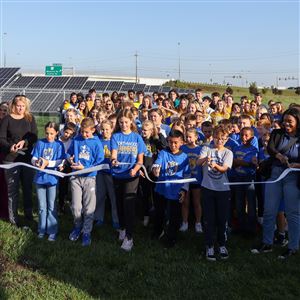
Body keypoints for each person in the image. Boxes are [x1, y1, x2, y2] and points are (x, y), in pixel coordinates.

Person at [251, 108, 300, 259]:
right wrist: (279, 155)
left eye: (290, 121)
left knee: (292, 213)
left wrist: (297, 165)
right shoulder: (277, 133)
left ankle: (293, 246)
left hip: (293, 176)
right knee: (269, 210)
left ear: (298, 122)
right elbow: (271, 148)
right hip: (275, 174)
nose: (286, 124)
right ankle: (267, 243)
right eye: (284, 120)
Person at [110, 109, 146, 251]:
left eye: (126, 122)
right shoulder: (115, 137)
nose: (124, 124)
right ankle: (123, 228)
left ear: (131, 122)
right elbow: (113, 155)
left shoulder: (137, 138)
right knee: (119, 204)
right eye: (121, 122)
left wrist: (135, 170)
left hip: (132, 176)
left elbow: (140, 160)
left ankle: (129, 238)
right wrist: (113, 160)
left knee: (129, 204)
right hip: (118, 174)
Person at [0, 95, 37, 226]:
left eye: (23, 106)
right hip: (10, 160)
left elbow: (34, 136)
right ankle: (13, 219)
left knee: (27, 187)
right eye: (18, 106)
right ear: (13, 106)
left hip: (26, 159)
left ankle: (28, 215)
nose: (20, 108)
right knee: (13, 190)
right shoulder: (7, 119)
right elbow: (1, 138)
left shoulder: (30, 118)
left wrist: (25, 141)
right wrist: (10, 146)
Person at [198, 126, 233, 261]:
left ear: (227, 139)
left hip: (223, 190)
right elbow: (198, 162)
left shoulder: (228, 153)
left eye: (223, 139)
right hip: (207, 188)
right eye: (218, 138)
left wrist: (215, 166)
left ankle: (222, 244)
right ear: (213, 137)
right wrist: (206, 159)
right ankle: (210, 245)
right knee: (209, 219)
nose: (220, 141)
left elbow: (224, 169)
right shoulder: (207, 148)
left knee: (222, 219)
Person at [67, 117, 104, 246]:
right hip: (76, 177)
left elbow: (100, 161)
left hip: (90, 178)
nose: (84, 134)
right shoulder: (76, 139)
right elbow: (69, 153)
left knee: (89, 207)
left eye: (87, 132)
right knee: (76, 206)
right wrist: (70, 160)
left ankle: (86, 231)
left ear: (93, 130)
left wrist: (86, 168)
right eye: (82, 131)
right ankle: (77, 226)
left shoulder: (96, 142)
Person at [152, 130, 191, 248]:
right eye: (170, 142)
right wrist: (155, 169)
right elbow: (157, 164)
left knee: (175, 216)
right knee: (159, 212)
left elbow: (187, 175)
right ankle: (157, 232)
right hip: (161, 189)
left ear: (181, 143)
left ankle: (171, 238)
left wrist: (184, 191)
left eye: (175, 143)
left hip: (176, 191)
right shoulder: (163, 153)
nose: (172, 145)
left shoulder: (184, 157)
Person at [31, 122, 65, 241]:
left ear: (56, 133)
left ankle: (52, 230)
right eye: (47, 133)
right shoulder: (40, 143)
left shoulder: (59, 145)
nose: (49, 136)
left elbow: (60, 161)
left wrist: (47, 163)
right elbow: (33, 157)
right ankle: (41, 229)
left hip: (52, 180)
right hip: (40, 179)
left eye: (51, 133)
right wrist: (36, 162)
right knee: (41, 206)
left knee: (51, 206)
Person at [140, 120, 167, 226]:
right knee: (145, 195)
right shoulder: (140, 139)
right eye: (142, 130)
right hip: (143, 171)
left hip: (154, 171)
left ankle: (157, 216)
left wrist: (158, 135)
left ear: (151, 131)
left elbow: (164, 146)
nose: (143, 132)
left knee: (156, 195)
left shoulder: (155, 140)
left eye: (145, 130)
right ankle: (146, 215)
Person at [233, 127, 258, 234]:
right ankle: (241, 226)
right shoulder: (237, 148)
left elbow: (253, 164)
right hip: (238, 178)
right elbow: (232, 162)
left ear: (252, 137)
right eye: (242, 135)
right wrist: (244, 163)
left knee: (251, 204)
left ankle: (252, 227)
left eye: (246, 135)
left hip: (249, 179)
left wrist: (241, 162)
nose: (244, 137)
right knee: (239, 203)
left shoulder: (254, 149)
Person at [94, 120, 119, 229]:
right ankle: (99, 217)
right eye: (102, 129)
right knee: (100, 195)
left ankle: (116, 219)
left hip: (111, 173)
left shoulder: (114, 141)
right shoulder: (98, 141)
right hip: (100, 172)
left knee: (113, 197)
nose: (104, 132)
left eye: (107, 129)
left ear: (111, 129)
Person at [180, 128, 203, 233]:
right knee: (185, 201)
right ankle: (185, 222)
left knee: (197, 202)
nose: (188, 139)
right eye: (187, 137)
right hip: (185, 179)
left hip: (197, 178)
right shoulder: (182, 148)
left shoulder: (201, 149)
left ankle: (198, 223)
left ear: (196, 137)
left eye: (190, 136)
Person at [0, 102, 9, 219]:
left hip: (5, 156)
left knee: (4, 184)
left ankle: (4, 211)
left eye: (5, 110)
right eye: (1, 110)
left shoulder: (8, 124)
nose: (2, 112)